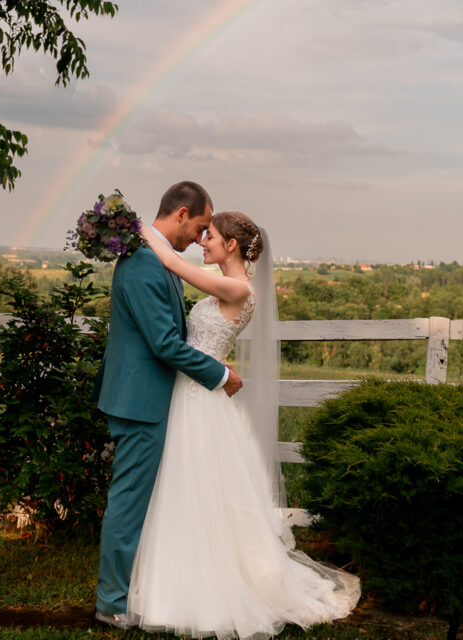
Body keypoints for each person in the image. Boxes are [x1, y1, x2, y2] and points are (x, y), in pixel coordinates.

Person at [128, 211, 360, 638]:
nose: (202, 241)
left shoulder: (238, 287)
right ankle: (174, 586)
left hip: (201, 401)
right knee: (187, 489)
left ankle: (205, 593)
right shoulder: (229, 283)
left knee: (201, 489)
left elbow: (172, 263)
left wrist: (135, 225)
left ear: (231, 245)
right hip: (194, 391)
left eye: (210, 235)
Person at [94, 181, 244, 627]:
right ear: (181, 214)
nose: (200, 238)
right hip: (141, 401)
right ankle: (111, 606)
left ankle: (142, 591)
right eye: (199, 227)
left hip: (150, 398)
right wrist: (219, 375)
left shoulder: (155, 257)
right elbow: (164, 343)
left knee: (147, 500)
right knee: (128, 502)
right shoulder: (143, 261)